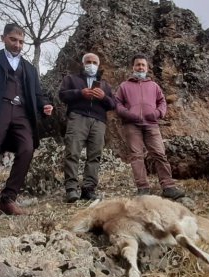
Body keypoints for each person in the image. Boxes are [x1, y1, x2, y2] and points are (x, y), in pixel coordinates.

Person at [0, 23, 54, 224]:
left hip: (22, 113)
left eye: (21, 41)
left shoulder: (29, 68)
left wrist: (45, 106)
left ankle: (8, 199)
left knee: (27, 149)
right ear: (3, 37)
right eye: (13, 40)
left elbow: (38, 94)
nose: (18, 45)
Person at [114, 54, 185, 200]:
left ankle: (168, 187)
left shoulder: (154, 86)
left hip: (151, 124)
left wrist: (158, 113)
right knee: (136, 156)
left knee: (159, 154)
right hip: (131, 125)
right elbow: (117, 103)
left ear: (147, 68)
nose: (140, 67)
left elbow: (162, 101)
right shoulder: (124, 86)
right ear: (132, 67)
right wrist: (128, 114)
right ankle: (143, 188)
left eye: (143, 65)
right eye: (137, 65)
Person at [59, 53, 116, 202]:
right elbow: (62, 95)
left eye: (94, 62)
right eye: (88, 62)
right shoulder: (71, 79)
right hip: (77, 117)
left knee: (95, 155)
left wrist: (103, 96)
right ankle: (71, 189)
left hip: (99, 121)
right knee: (72, 152)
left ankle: (88, 189)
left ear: (98, 65)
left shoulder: (105, 85)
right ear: (83, 64)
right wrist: (80, 93)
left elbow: (113, 105)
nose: (91, 65)